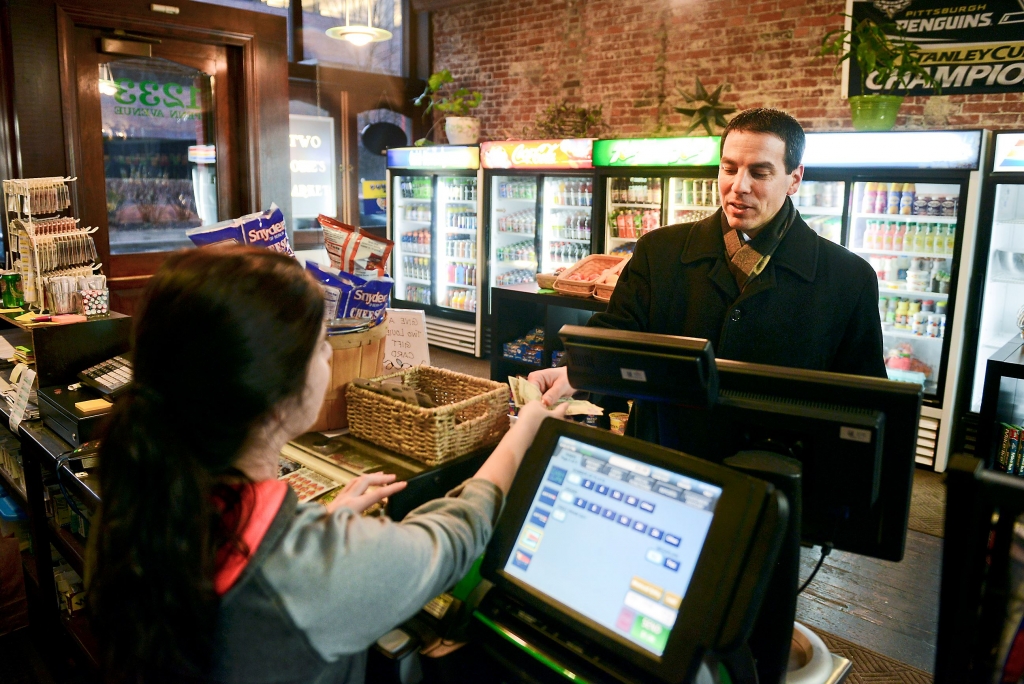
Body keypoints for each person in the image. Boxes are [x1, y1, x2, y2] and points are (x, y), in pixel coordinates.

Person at [86, 246, 567, 683]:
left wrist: (330, 525)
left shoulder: (139, 497)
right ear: (277, 393)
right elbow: (455, 535)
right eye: (321, 345)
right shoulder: (310, 568)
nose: (330, 355)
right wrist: (525, 429)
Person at [531, 108, 886, 444]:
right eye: (729, 169)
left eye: (759, 173)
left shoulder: (849, 279)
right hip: (666, 454)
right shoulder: (660, 251)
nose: (739, 186)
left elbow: (864, 403)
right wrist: (573, 370)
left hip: (773, 472)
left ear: (794, 179)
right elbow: (620, 330)